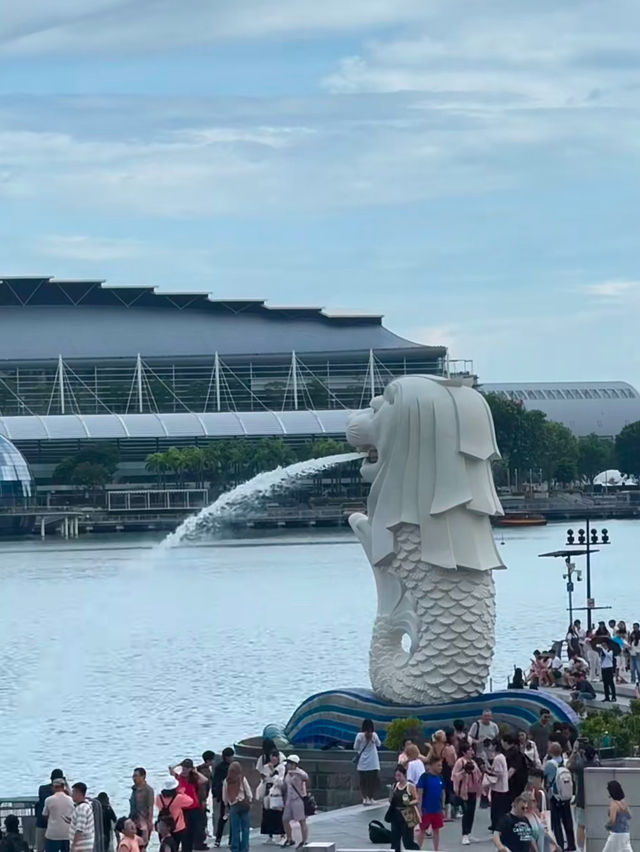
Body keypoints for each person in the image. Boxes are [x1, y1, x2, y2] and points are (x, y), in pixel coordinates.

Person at [544, 743, 575, 852]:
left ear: (550, 751)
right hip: (566, 796)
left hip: (555, 796)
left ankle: (560, 845)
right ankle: (571, 844)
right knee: (568, 821)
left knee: (557, 823)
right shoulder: (566, 762)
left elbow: (544, 775)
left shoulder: (549, 764)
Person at [568, 741, 599, 852]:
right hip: (596, 800)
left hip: (582, 799)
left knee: (581, 825)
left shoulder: (580, 766)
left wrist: (574, 752)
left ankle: (581, 849)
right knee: (594, 825)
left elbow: (568, 765)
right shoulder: (597, 765)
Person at [170, 760, 207, 852]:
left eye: (187, 768)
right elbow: (171, 769)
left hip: (194, 809)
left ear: (190, 769)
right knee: (184, 834)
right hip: (182, 811)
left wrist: (195, 771)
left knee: (193, 833)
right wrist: (179, 764)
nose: (184, 770)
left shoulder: (193, 779)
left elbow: (205, 780)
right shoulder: (178, 778)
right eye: (183, 768)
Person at [451, 743, 482, 845]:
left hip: (473, 791)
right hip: (464, 791)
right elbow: (454, 777)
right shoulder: (460, 762)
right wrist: (464, 771)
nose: (472, 752)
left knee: (472, 812)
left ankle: (469, 833)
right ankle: (464, 835)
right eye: (469, 750)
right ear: (464, 752)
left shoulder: (473, 762)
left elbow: (478, 775)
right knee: (466, 812)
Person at [155, 778, 195, 852]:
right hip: (177, 827)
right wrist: (182, 793)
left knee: (164, 846)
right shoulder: (178, 798)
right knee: (174, 847)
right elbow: (190, 801)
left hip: (163, 827)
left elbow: (157, 805)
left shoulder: (158, 797)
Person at [387, 765, 419, 852]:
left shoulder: (410, 786)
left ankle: (413, 850)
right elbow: (390, 800)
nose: (397, 778)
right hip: (396, 813)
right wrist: (391, 796)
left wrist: (409, 803)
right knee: (395, 838)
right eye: (396, 776)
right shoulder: (395, 786)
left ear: (404, 775)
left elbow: (417, 799)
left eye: (399, 775)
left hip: (407, 813)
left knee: (408, 839)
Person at [416, 755, 445, 851]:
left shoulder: (440, 777)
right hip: (426, 809)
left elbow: (442, 792)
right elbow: (420, 794)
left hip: (437, 809)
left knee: (436, 830)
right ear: (432, 765)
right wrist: (419, 809)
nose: (440, 768)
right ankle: (417, 848)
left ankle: (436, 849)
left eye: (441, 766)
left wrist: (443, 807)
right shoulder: (424, 777)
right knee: (422, 830)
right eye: (438, 765)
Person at [222, 763, 252, 852]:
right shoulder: (242, 778)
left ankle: (235, 848)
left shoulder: (226, 781)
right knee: (245, 828)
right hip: (243, 804)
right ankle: (244, 848)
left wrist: (227, 804)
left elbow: (224, 797)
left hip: (233, 806)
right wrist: (249, 800)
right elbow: (249, 792)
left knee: (235, 829)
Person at [282, 755, 310, 850]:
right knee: (285, 819)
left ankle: (304, 840)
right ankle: (289, 838)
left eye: (289, 763)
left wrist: (296, 771)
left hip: (298, 799)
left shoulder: (299, 773)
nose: (287, 765)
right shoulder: (287, 774)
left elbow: (305, 777)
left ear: (294, 764)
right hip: (289, 800)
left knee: (302, 821)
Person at [36, 770, 68, 852]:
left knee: (41, 848)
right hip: (53, 825)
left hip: (45, 824)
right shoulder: (64, 793)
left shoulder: (42, 789)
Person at [258, 751, 285, 842]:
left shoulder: (281, 768)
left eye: (275, 757)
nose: (273, 759)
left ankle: (281, 834)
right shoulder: (266, 767)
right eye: (272, 756)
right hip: (267, 791)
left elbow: (280, 781)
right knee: (267, 814)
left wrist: (273, 772)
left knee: (278, 814)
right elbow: (263, 779)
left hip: (277, 792)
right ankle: (270, 835)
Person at [353, 718, 381, 805]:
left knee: (363, 780)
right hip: (373, 759)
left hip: (363, 760)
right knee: (372, 779)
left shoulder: (359, 736)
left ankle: (364, 798)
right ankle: (371, 797)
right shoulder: (374, 735)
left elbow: (355, 747)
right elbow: (379, 744)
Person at [43, 777, 74, 852]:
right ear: (63, 787)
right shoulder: (70, 800)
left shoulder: (49, 800)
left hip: (52, 834)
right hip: (67, 834)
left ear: (53, 787)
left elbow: (45, 815)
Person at [212, 748, 235, 848]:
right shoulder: (224, 768)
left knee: (227, 817)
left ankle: (226, 839)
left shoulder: (229, 766)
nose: (231, 758)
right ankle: (220, 838)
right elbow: (216, 782)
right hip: (226, 796)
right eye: (230, 756)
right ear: (226, 757)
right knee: (225, 817)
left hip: (228, 795)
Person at [487, 739, 510, 833]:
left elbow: (498, 773)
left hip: (498, 787)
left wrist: (488, 771)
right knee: (499, 808)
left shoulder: (498, 758)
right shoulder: (501, 757)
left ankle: (496, 826)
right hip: (502, 787)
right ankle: (497, 826)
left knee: (496, 809)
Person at [603, 780, 633, 852]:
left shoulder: (613, 804)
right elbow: (630, 816)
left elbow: (612, 820)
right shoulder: (624, 802)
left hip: (616, 834)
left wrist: (607, 826)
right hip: (625, 834)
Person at [130, 768, 154, 851]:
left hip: (143, 824)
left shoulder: (148, 790)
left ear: (143, 776)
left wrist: (149, 824)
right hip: (133, 823)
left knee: (142, 846)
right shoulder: (134, 789)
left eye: (136, 776)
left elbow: (150, 807)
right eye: (133, 776)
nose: (134, 778)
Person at [70, 783, 95, 852]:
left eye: (73, 792)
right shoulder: (85, 806)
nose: (72, 795)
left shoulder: (82, 808)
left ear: (78, 793)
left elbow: (79, 830)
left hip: (81, 846)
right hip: (86, 845)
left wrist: (73, 846)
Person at [504, 733, 529, 800]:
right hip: (517, 779)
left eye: (522, 735)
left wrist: (505, 779)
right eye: (519, 735)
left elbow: (513, 768)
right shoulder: (515, 750)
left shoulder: (514, 752)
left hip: (518, 778)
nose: (521, 737)